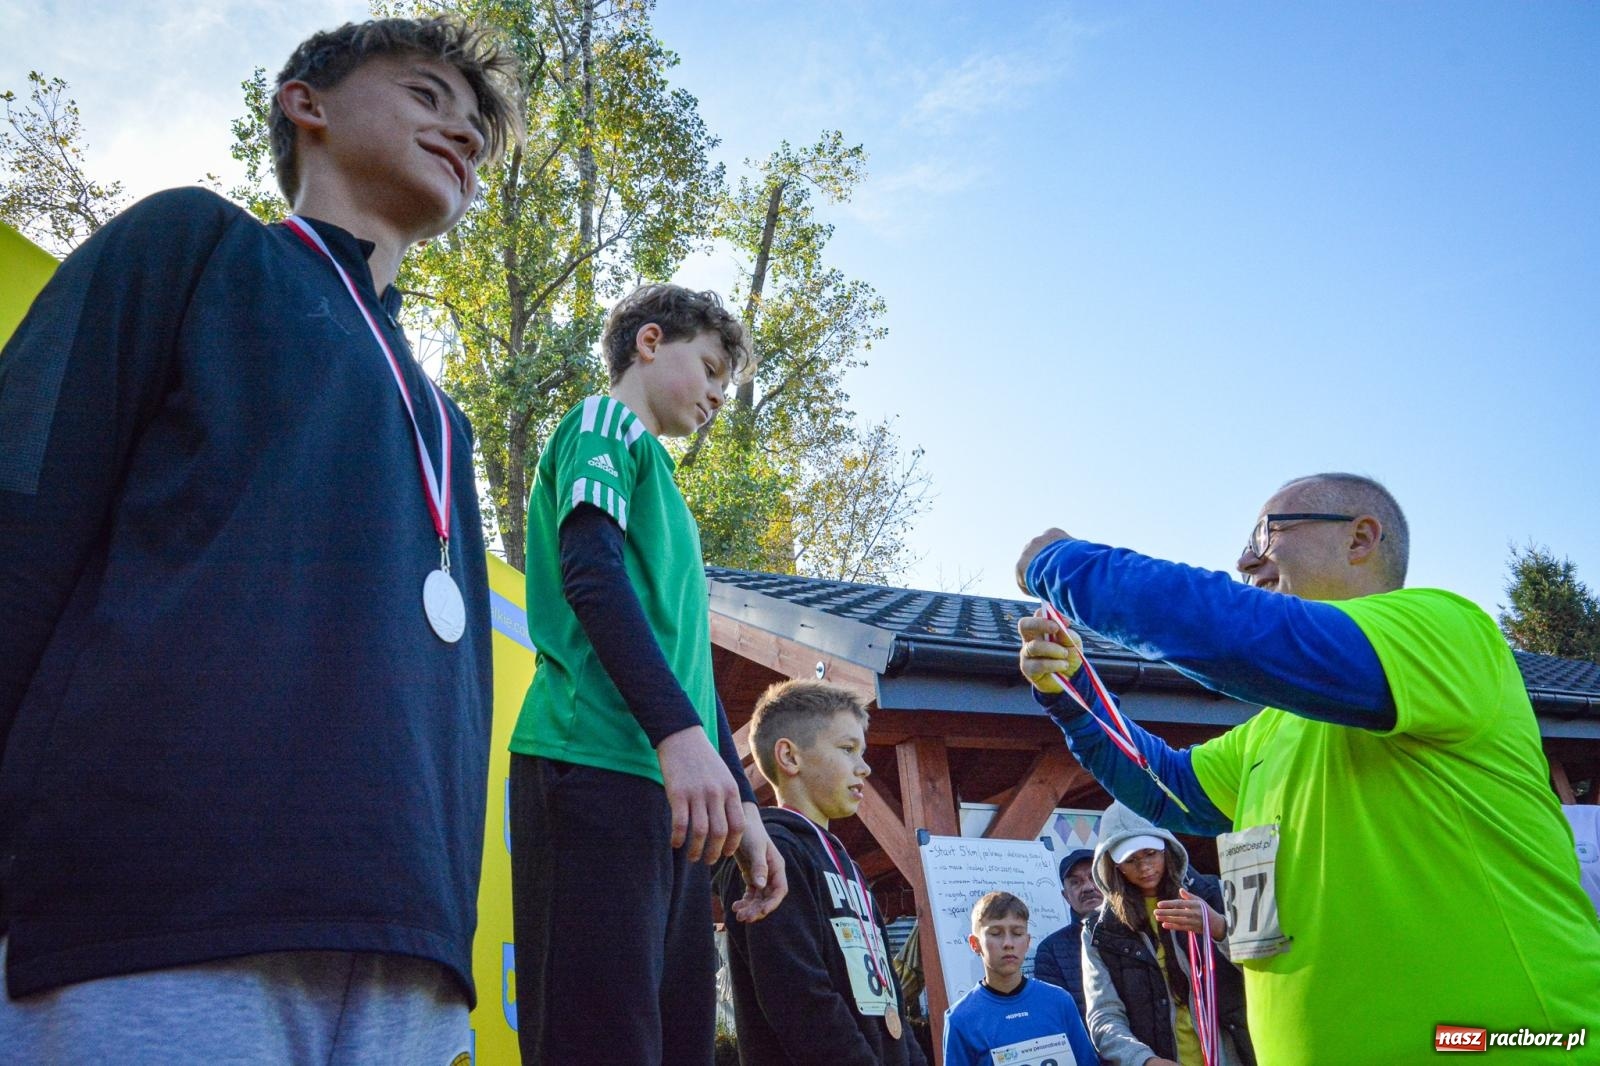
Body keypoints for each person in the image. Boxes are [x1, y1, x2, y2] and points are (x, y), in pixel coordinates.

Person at [0, 17, 522, 1062]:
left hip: (408, 956)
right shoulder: (193, 246)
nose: (461, 134)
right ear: (306, 102)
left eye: (476, 128)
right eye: (427, 96)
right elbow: (23, 513)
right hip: (154, 913)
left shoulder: (443, 418)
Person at [1015, 473, 1600, 1064]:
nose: (1246, 559)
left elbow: (1239, 633)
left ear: (1360, 538)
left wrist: (1058, 564)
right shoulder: (1271, 728)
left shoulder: (1451, 629)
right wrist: (1072, 691)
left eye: (1267, 533)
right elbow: (1166, 786)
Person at [510, 282, 787, 1065]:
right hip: (589, 765)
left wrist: (746, 811)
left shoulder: (671, 497)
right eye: (708, 369)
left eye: (727, 385)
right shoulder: (603, 425)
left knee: (675, 1045)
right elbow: (589, 575)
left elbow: (690, 676)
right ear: (648, 342)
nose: (716, 396)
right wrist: (675, 736)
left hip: (676, 799)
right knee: (598, 1042)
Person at [714, 678, 925, 1065]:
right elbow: (798, 996)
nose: (864, 767)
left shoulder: (850, 866)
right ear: (790, 757)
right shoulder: (770, 854)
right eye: (847, 749)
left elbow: (888, 992)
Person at [1082, 804, 1253, 1066]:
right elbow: (1104, 1016)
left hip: (1235, 1056)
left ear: (1167, 848)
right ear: (1114, 866)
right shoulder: (1099, 930)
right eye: (1130, 860)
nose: (1144, 867)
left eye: (1151, 853)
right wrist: (1144, 1061)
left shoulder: (1215, 894)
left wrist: (1219, 928)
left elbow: (1265, 970)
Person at [944, 891, 1098, 1066]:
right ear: (975, 943)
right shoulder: (960, 1018)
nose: (1008, 943)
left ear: (1027, 941)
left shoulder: (1060, 1001)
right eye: (995, 933)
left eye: (1017, 933)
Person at [1032, 846, 1102, 1017]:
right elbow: (1057, 1017)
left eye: (1094, 877)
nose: (1087, 887)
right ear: (1065, 896)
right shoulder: (1051, 951)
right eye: (1075, 882)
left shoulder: (1139, 933)